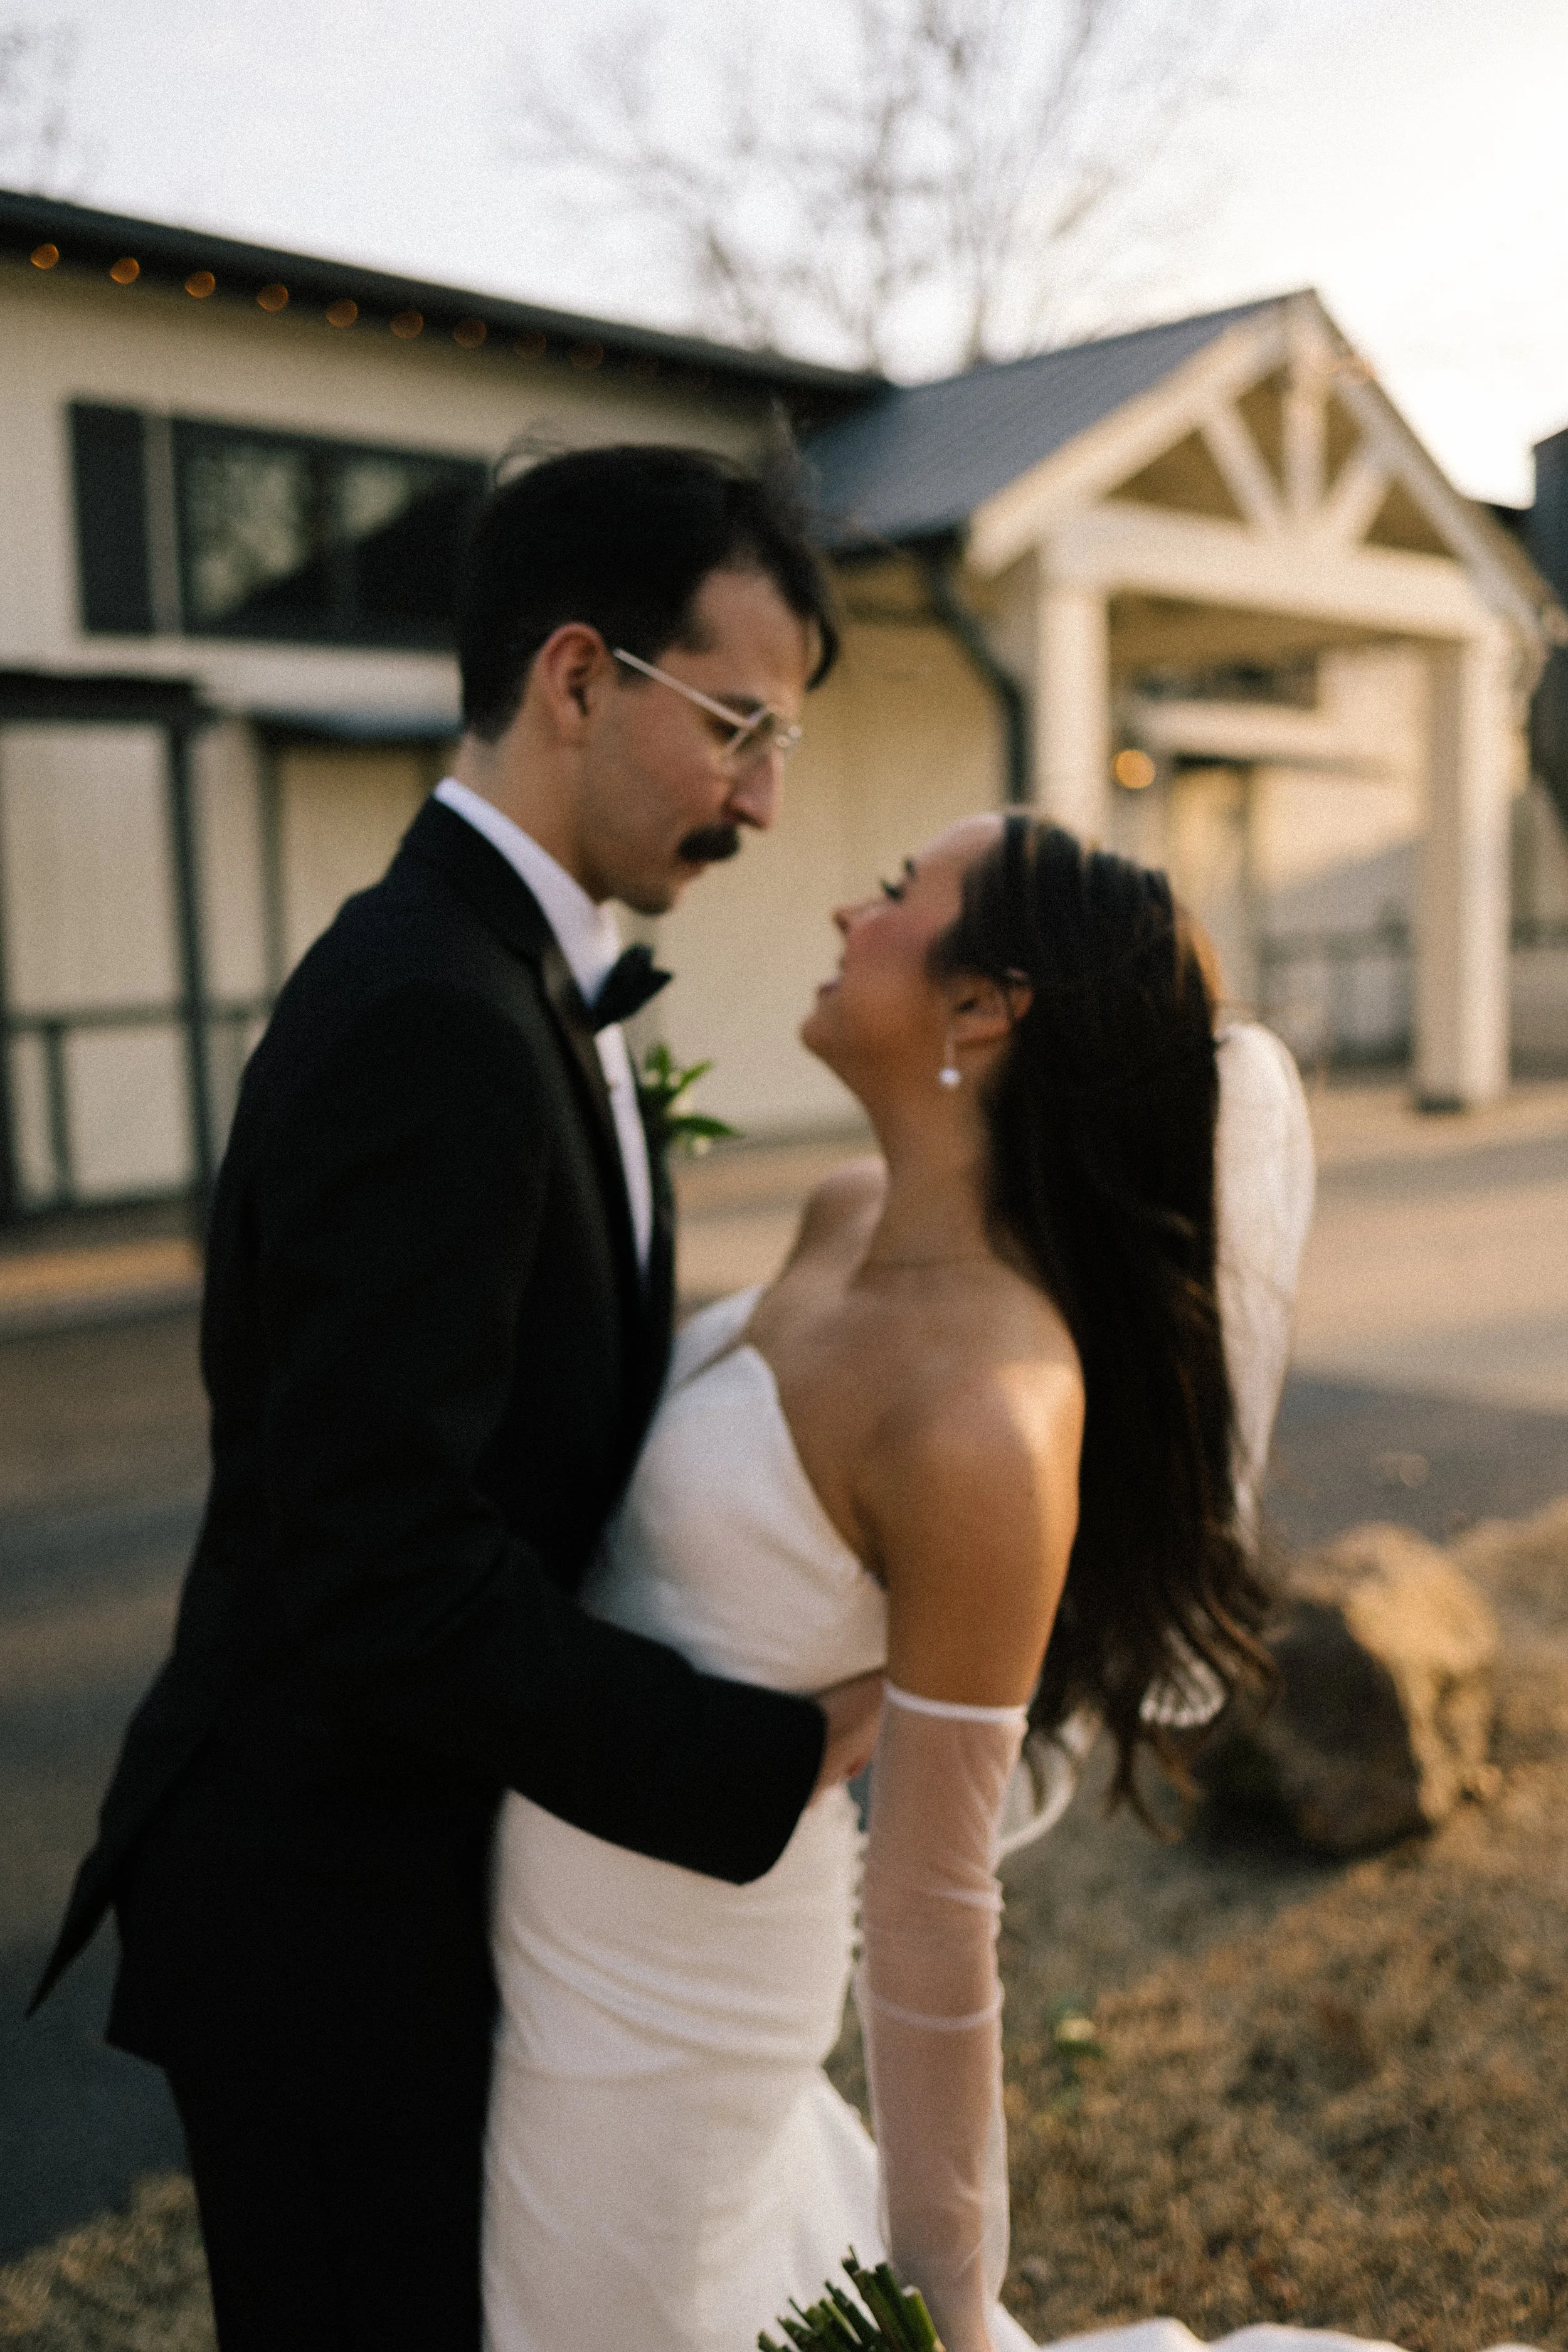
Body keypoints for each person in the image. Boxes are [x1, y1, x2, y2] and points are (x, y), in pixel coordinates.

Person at [29, 443, 883, 2352]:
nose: (762, 794)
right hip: (328, 1911)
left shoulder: (508, 977)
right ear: (578, 675)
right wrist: (762, 1746)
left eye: (784, 742)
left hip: (438, 1879)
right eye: (738, 724)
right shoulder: (429, 1012)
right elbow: (378, 1559)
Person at [481, 812, 1332, 2352]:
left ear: (980, 1004)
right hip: (542, 1907)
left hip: (674, 2005)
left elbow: (938, 1909)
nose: (842, 909)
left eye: (891, 895)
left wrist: (938, 2299)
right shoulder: (837, 1211)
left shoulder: (987, 1417)